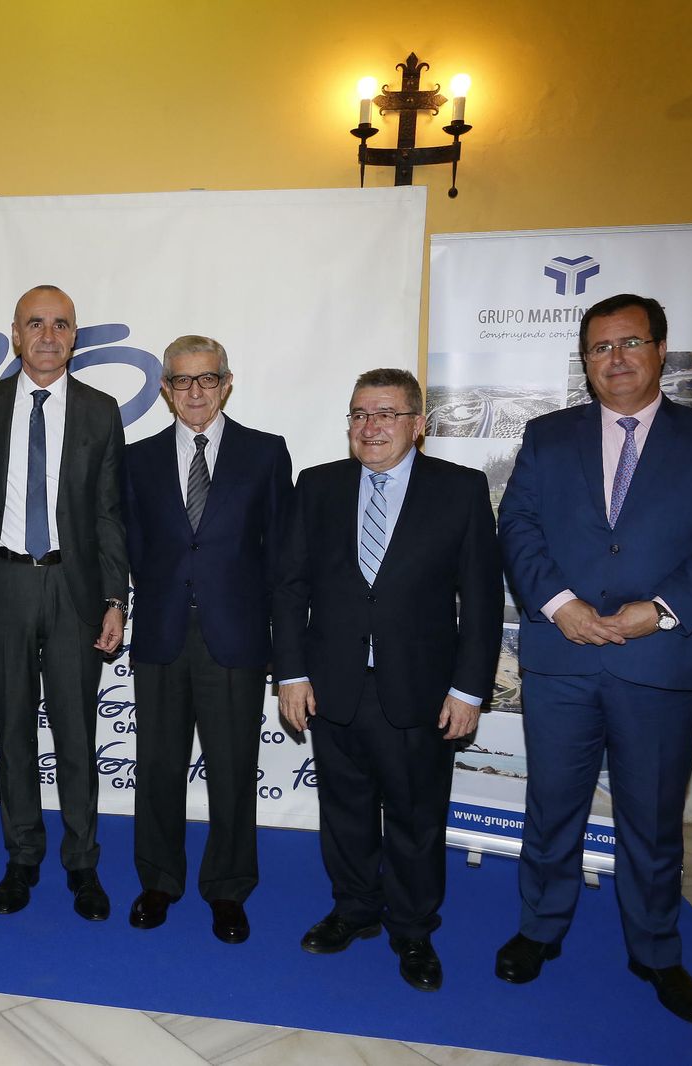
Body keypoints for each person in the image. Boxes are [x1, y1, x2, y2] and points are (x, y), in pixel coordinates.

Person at [496, 293, 692, 1025]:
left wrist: (660, 611)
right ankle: (538, 929)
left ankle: (655, 951)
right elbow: (516, 525)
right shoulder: (547, 436)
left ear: (661, 351)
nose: (615, 358)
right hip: (564, 658)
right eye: (600, 348)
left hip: (660, 662)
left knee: (651, 819)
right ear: (584, 362)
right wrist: (561, 606)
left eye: (629, 343)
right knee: (552, 808)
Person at [283, 367, 502, 992]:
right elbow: (291, 586)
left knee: (415, 817)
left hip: (421, 690)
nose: (370, 426)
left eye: (385, 414)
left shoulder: (460, 490)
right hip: (334, 685)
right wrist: (292, 672)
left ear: (417, 425)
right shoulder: (317, 486)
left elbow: (482, 602)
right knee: (345, 811)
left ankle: (412, 928)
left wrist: (468, 689)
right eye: (359, 414)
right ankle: (353, 909)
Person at [0, 284, 128, 920]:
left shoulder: (99, 410)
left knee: (77, 734)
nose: (49, 336)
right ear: (15, 334)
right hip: (2, 586)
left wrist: (115, 598)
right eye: (36, 323)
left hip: (74, 587)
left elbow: (110, 515)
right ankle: (22, 855)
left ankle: (82, 862)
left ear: (75, 337)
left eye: (61, 325)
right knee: (14, 727)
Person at [121, 335, 295, 944]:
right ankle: (158, 880)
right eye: (182, 381)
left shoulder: (265, 454)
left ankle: (228, 889)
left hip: (237, 638)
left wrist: (284, 644)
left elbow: (280, 557)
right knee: (158, 768)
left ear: (226, 383)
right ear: (165, 389)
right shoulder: (136, 460)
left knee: (231, 771)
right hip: (163, 635)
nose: (195, 391)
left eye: (207, 379)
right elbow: (136, 549)